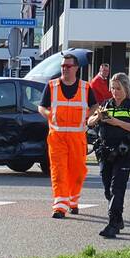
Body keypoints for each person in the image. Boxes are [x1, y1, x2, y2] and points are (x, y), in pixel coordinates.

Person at [38, 52, 96, 219]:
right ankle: (60, 206)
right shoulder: (51, 86)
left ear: (76, 68)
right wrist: (49, 114)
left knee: (78, 172)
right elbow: (41, 107)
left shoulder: (85, 87)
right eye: (63, 66)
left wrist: (87, 115)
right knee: (58, 171)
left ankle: (73, 200)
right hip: (57, 138)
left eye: (68, 66)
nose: (64, 69)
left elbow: (95, 105)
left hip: (77, 138)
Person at [88, 72, 130, 238]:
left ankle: (112, 225)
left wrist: (116, 122)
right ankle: (118, 219)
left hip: (123, 151)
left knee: (117, 188)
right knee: (107, 189)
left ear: (126, 88)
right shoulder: (106, 104)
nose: (115, 92)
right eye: (112, 88)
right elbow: (89, 123)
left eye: (118, 88)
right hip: (105, 151)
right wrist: (97, 117)